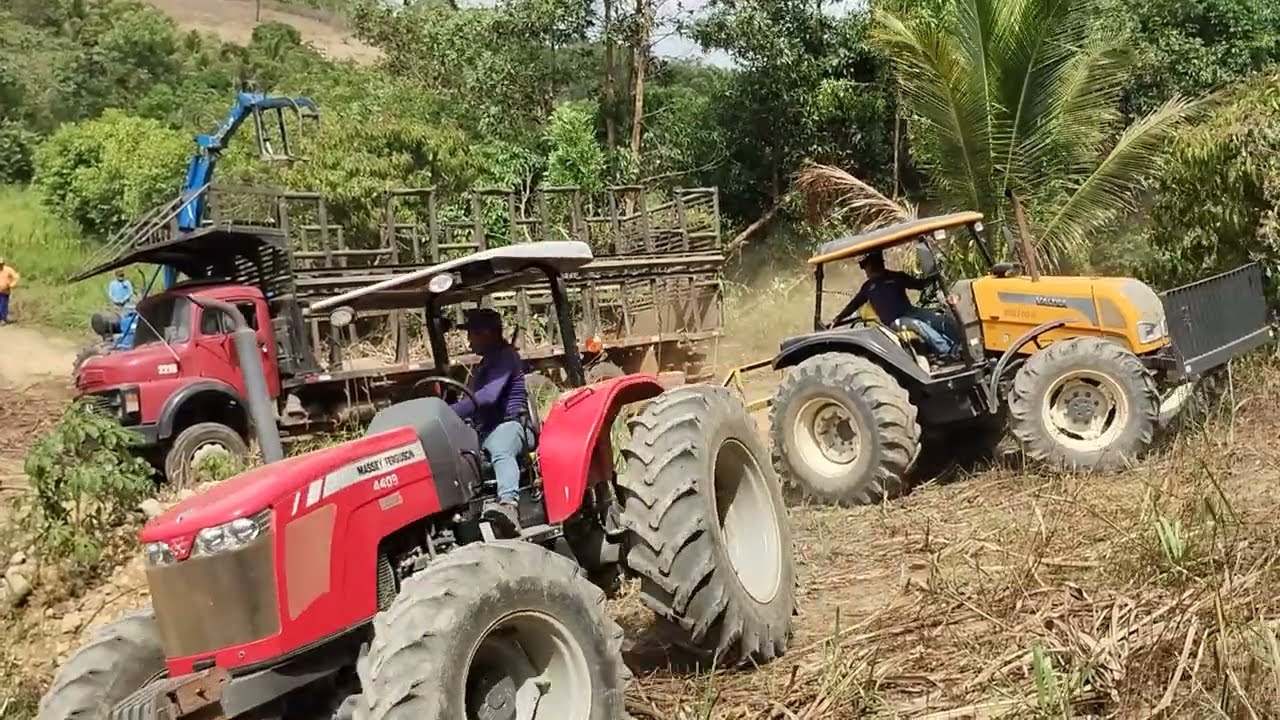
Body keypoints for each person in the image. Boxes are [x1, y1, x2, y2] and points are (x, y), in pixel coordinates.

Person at [448, 307, 531, 529]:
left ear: (486, 333)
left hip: (511, 423)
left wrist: (450, 411)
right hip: (486, 427)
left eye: (471, 334)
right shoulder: (486, 363)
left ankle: (509, 505)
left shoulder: (506, 357)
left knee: (500, 446)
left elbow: (487, 397)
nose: (469, 340)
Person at [831, 250, 960, 357]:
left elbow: (920, 285)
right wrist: (837, 319)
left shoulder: (896, 277)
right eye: (865, 268)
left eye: (867, 267)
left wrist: (933, 277)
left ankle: (961, 344)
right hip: (894, 321)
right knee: (918, 325)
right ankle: (948, 351)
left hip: (910, 311)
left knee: (939, 319)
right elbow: (853, 305)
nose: (866, 271)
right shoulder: (868, 287)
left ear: (877, 264)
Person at [0, 257, 18, 325]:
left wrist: (12, 284)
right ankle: (2, 318)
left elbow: (16, 277)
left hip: (5, 291)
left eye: (1, 264)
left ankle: (3, 319)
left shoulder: (8, 270)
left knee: (3, 305)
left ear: (3, 264)